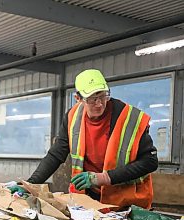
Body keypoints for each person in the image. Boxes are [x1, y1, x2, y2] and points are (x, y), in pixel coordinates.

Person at [25, 69, 158, 209]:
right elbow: (55, 155)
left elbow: (150, 162)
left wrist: (103, 178)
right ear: (78, 98)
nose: (99, 103)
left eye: (102, 96)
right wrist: (30, 184)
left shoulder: (130, 119)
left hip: (126, 202)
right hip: (88, 199)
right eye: (92, 99)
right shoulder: (72, 117)